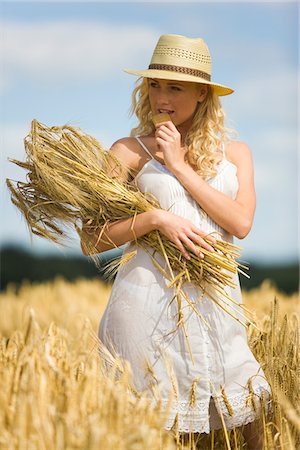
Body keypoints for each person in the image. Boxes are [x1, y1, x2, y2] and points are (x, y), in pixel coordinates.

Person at [81, 34, 272, 449]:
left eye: (175, 87)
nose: (160, 97)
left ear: (202, 93)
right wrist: (154, 218)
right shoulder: (127, 152)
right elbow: (90, 238)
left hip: (219, 315)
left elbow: (240, 223)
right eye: (154, 85)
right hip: (147, 311)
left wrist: (179, 167)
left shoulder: (236, 154)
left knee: (249, 433)